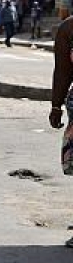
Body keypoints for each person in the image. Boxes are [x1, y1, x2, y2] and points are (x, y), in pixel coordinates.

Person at [48, 14, 73, 247]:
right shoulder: (69, 28)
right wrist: (56, 105)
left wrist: (56, 106)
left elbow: (63, 72)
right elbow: (63, 71)